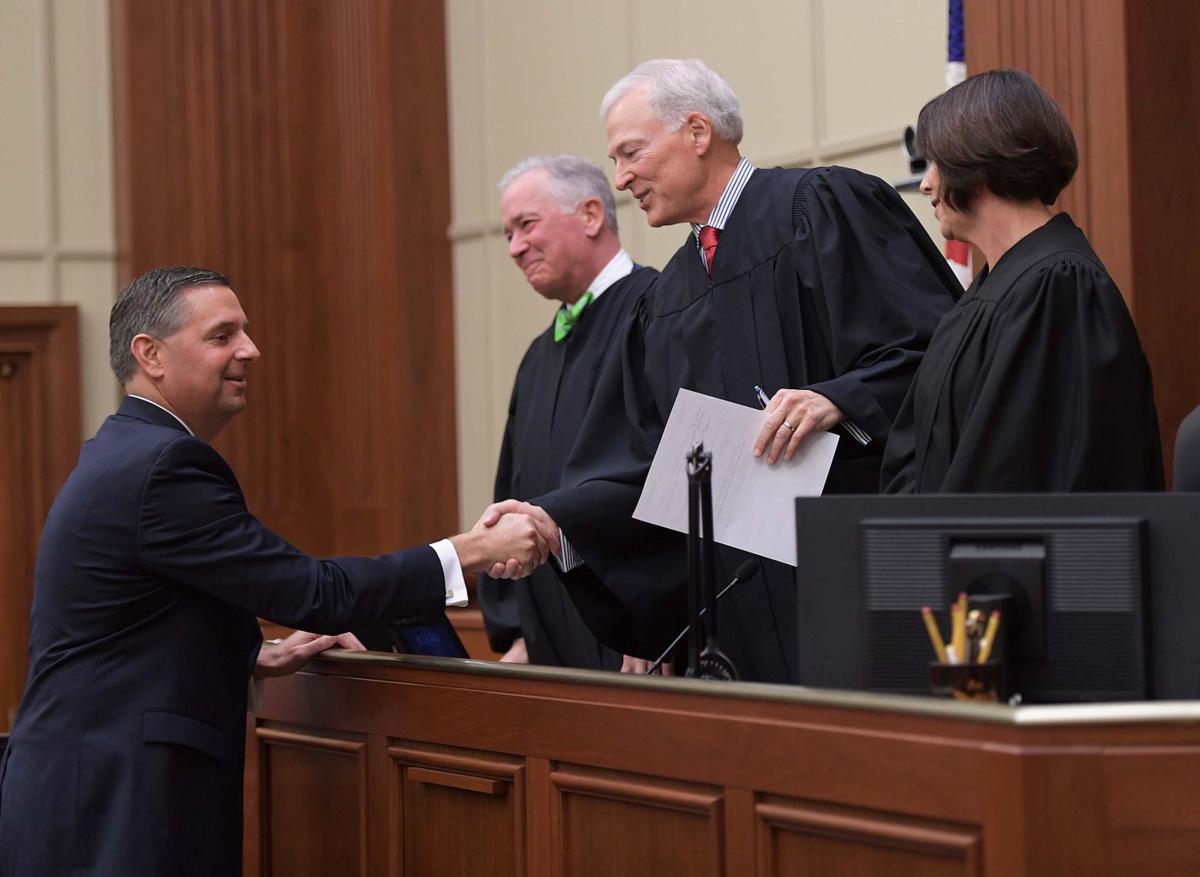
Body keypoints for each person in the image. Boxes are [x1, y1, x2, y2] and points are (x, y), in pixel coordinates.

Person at [0, 267, 548, 876]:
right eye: (222, 335)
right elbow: (316, 592)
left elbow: (127, 622)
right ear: (150, 354)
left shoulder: (124, 449)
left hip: (88, 787)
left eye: (247, 332)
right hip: (114, 802)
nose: (250, 350)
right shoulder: (163, 466)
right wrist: (470, 551)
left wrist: (239, 651)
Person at [487, 59, 962, 683]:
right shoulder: (665, 300)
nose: (622, 177)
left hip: (852, 575)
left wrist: (840, 399)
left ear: (696, 132)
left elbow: (944, 353)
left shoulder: (822, 208)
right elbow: (646, 458)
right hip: (734, 613)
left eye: (631, 152)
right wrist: (557, 520)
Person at [880, 69, 1163, 493]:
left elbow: (1016, 475)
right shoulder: (988, 295)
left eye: (937, 162)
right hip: (936, 552)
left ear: (977, 158)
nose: (926, 184)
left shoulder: (1061, 288)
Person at [477, 155, 658, 671]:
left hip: (634, 633)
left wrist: (654, 618)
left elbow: (667, 474)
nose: (514, 248)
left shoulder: (657, 309)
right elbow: (513, 486)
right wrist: (517, 627)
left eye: (526, 225)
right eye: (507, 233)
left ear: (591, 215)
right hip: (548, 635)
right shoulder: (539, 354)